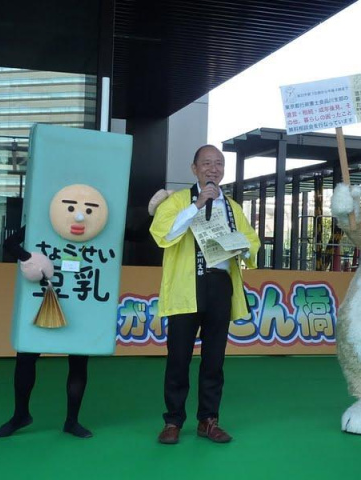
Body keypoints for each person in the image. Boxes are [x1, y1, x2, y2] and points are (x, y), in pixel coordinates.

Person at [149, 145, 260, 445]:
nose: (213, 169)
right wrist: (196, 205)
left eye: (219, 164)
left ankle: (208, 420)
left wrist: (242, 247)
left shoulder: (232, 207)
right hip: (186, 287)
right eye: (207, 163)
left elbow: (252, 242)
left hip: (220, 285)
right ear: (194, 168)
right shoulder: (177, 201)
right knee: (178, 357)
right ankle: (173, 421)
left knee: (214, 359)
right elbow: (163, 234)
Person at [0, 227, 92, 439]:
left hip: (81, 301)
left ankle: (72, 421)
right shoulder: (42, 219)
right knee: (25, 358)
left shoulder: (97, 224)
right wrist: (29, 259)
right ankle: (20, 415)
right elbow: (10, 243)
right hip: (41, 298)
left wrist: (151, 212)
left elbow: (135, 236)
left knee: (79, 361)